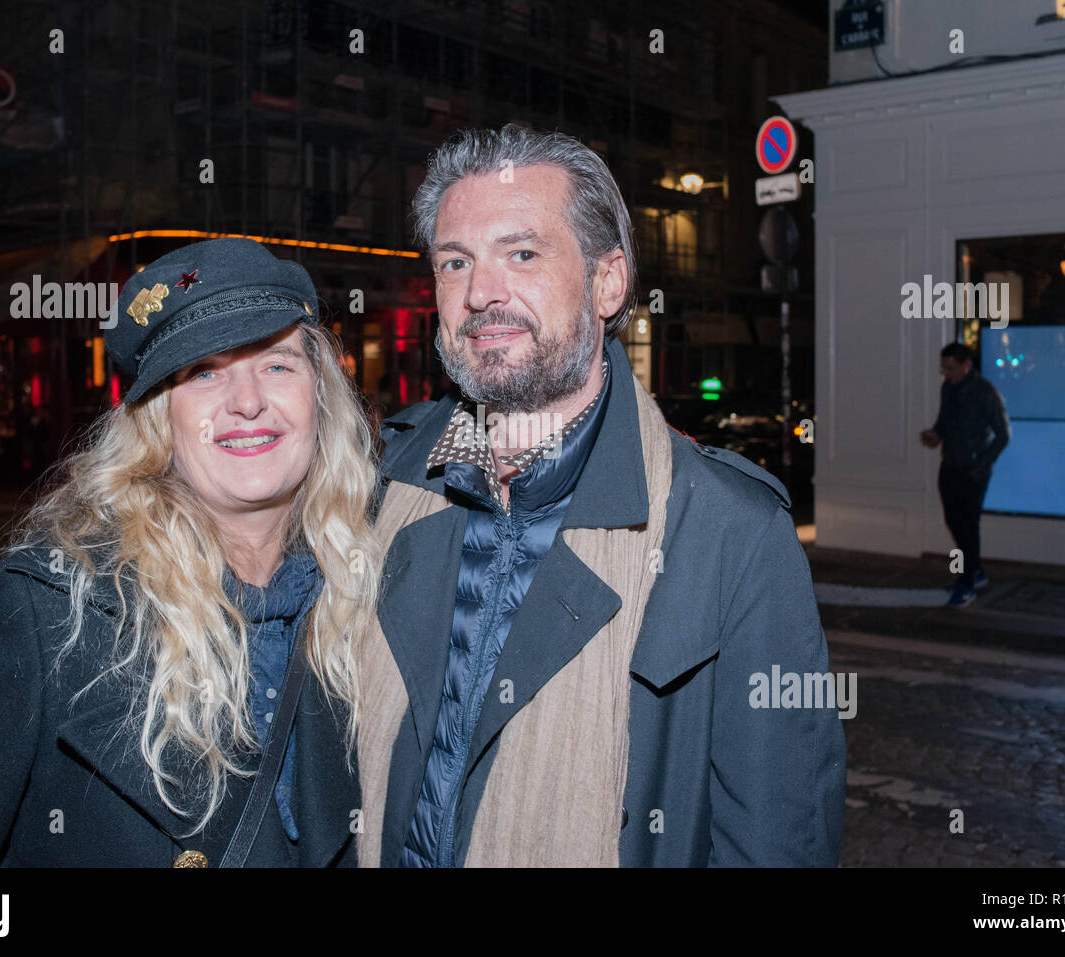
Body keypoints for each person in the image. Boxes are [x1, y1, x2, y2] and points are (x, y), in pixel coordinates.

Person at [357, 124, 844, 867]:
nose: (482, 292)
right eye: (456, 262)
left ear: (608, 281)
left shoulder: (727, 532)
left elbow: (778, 839)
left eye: (522, 253)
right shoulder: (384, 481)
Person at [0, 238, 380, 866]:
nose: (247, 401)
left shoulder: (365, 600)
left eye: (277, 364)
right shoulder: (40, 615)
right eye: (203, 373)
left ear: (320, 399)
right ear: (158, 419)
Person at [920, 341, 1010, 607]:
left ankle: (967, 582)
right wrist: (936, 435)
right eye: (943, 367)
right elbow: (945, 422)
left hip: (973, 470)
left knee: (967, 526)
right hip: (951, 464)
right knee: (954, 520)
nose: (945, 372)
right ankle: (974, 572)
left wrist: (980, 466)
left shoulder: (984, 392)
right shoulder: (948, 388)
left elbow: (1003, 435)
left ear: (966, 365)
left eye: (950, 367)